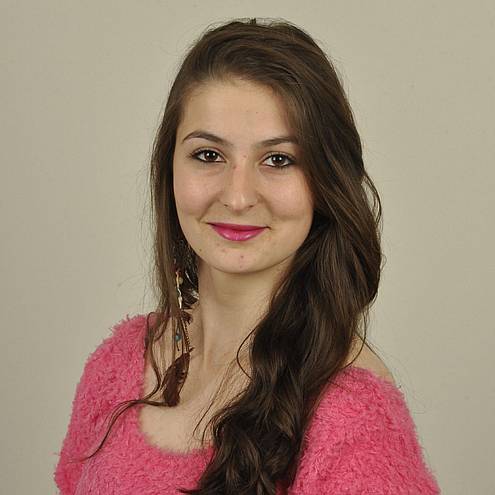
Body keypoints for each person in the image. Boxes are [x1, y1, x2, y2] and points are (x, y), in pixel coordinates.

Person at [54, 17, 441, 494]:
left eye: (278, 160)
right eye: (208, 155)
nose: (237, 197)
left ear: (325, 183)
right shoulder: (120, 363)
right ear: (169, 169)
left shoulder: (355, 421)